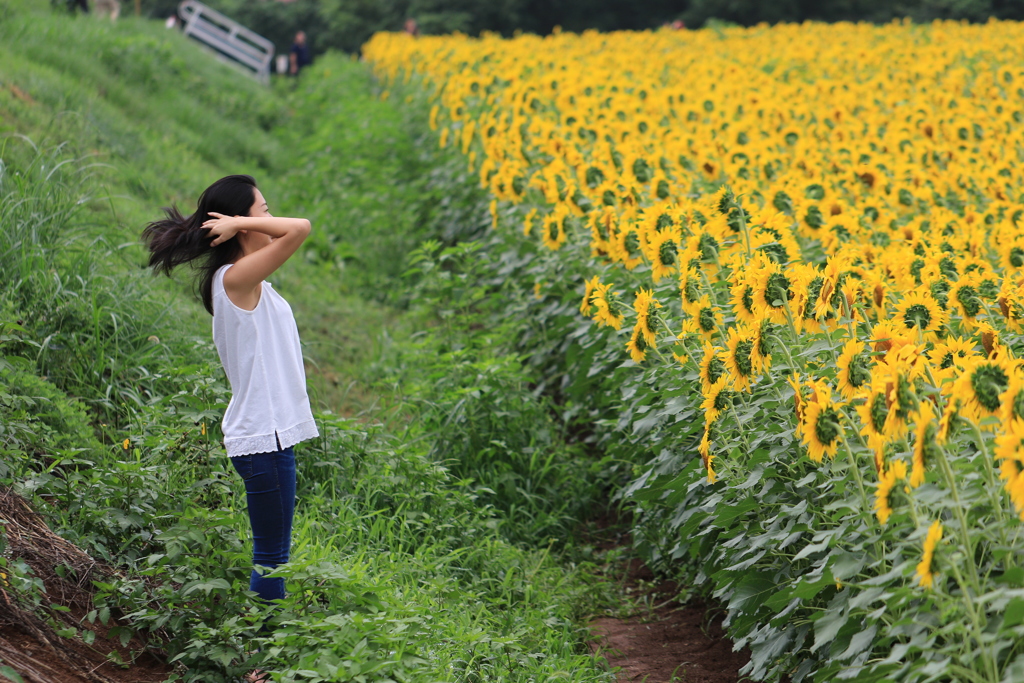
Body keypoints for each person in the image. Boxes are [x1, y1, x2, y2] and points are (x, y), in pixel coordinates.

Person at [142, 175, 316, 683]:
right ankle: (263, 663)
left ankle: (263, 654)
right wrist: (242, 221)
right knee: (272, 557)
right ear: (239, 224)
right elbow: (300, 228)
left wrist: (243, 219)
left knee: (274, 554)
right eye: (260, 209)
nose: (269, 216)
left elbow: (291, 231)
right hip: (263, 439)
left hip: (271, 436)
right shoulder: (237, 279)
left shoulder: (247, 279)